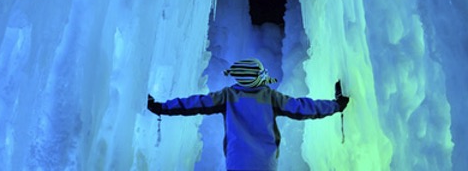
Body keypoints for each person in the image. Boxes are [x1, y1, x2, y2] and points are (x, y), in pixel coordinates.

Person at [147, 58, 350, 171]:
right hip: (265, 164)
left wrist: (161, 107)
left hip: (237, 163)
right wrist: (336, 105)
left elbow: (193, 104)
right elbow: (303, 107)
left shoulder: (227, 96)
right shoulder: (270, 97)